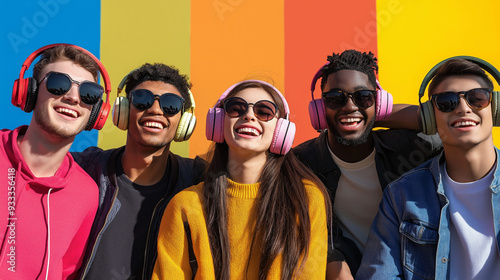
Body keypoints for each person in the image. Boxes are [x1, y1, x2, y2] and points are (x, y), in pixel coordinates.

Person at [152, 80, 332, 279]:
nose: (249, 116)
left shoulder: (305, 199)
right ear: (218, 123)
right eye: (236, 108)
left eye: (264, 112)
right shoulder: (185, 206)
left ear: (282, 131)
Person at [293, 50, 443, 277]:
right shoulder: (302, 163)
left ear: (380, 103)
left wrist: (373, 114)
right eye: (335, 98)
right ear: (320, 108)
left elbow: (451, 124)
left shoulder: (409, 148)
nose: (349, 106)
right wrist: (362, 111)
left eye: (363, 97)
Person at [358, 57, 500, 279]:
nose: (463, 108)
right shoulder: (401, 196)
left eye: (477, 99)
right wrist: (353, 113)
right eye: (446, 102)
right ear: (429, 118)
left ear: (496, 109)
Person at [72, 63, 206, 279]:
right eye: (143, 99)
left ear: (184, 120)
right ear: (123, 110)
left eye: (171, 105)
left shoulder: (198, 180)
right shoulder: (85, 168)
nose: (155, 110)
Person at [0, 44, 109, 279]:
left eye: (88, 93)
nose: (72, 97)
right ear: (29, 92)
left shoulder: (87, 194)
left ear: (96, 112)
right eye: (58, 84)